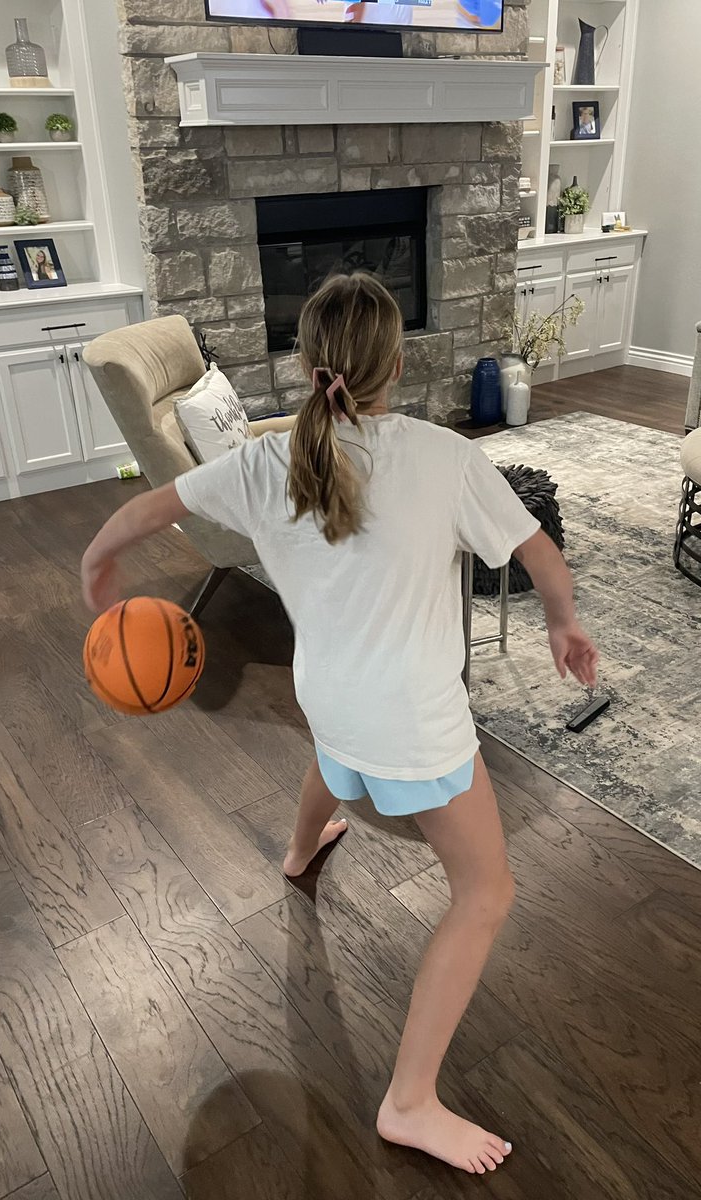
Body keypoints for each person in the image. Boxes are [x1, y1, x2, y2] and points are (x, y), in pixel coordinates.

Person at [81, 273, 599, 1176]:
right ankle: (408, 1102)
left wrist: (98, 563)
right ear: (397, 363)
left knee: (333, 750)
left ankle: (298, 849)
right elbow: (537, 551)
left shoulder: (258, 461)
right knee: (487, 893)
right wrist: (562, 620)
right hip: (413, 721)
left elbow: (142, 511)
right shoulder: (443, 457)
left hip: (327, 696)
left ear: (306, 364)